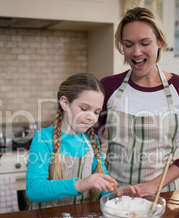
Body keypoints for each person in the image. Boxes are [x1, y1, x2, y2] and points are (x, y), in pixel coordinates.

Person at [94, 7, 179, 195]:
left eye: (145, 43)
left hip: (161, 195)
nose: (136, 52)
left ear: (159, 41)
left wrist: (153, 186)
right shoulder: (108, 86)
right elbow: (91, 141)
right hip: (112, 193)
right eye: (128, 44)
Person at [26, 73, 136, 209]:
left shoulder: (92, 139)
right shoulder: (43, 138)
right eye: (84, 109)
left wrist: (116, 191)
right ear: (65, 103)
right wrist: (81, 184)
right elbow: (34, 190)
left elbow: (103, 183)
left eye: (96, 112)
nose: (91, 117)